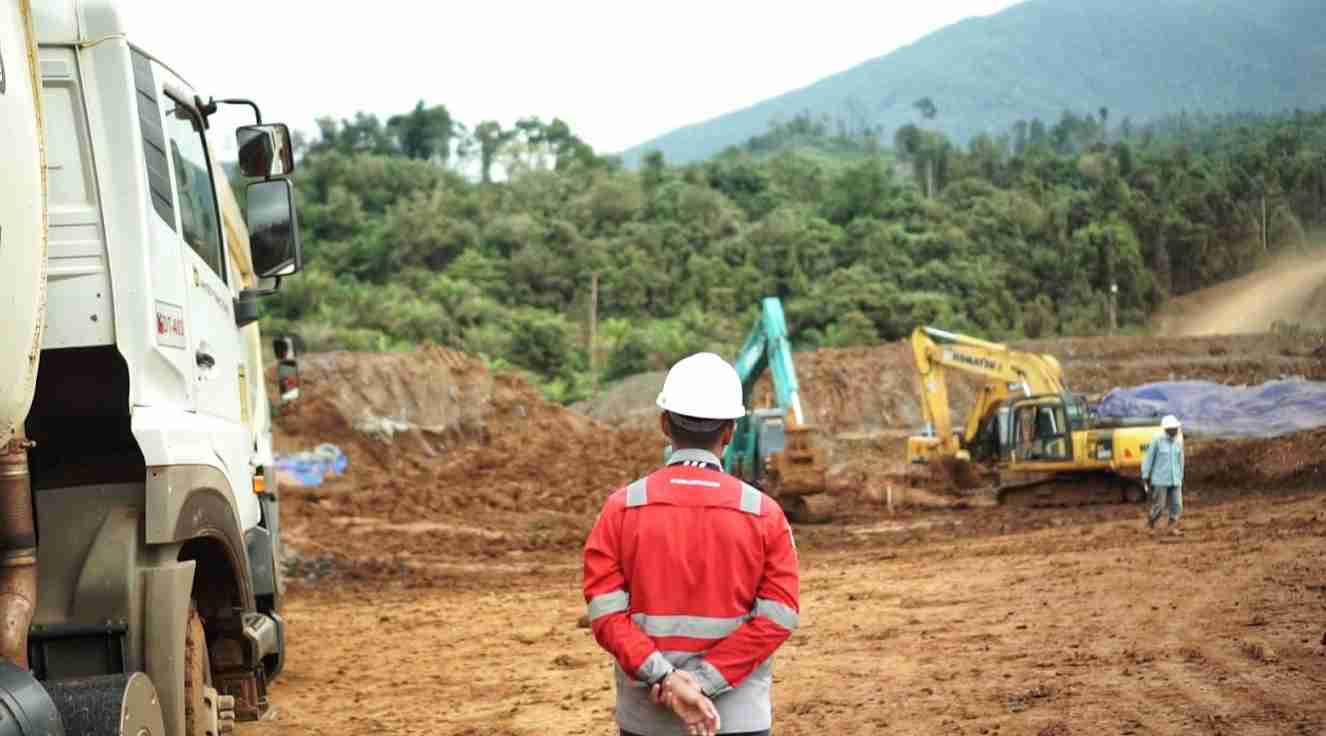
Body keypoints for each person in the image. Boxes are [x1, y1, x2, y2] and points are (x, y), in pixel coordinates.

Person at [583, 352, 800, 736]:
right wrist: (701, 681)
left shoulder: (621, 509)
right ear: (730, 431)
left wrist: (668, 680)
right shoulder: (764, 514)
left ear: (664, 424)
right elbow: (778, 617)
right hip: (736, 720)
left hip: (648, 721)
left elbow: (606, 616)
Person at [1142, 414, 1185, 535]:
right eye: (1172, 428)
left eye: (1176, 428)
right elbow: (1149, 458)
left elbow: (1181, 459)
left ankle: (1171, 527)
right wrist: (1145, 475)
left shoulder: (1179, 440)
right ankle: (1150, 524)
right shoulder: (1157, 439)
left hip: (1175, 478)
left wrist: (1181, 477)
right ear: (1166, 429)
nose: (1175, 430)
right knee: (1159, 506)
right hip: (1160, 479)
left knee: (1177, 505)